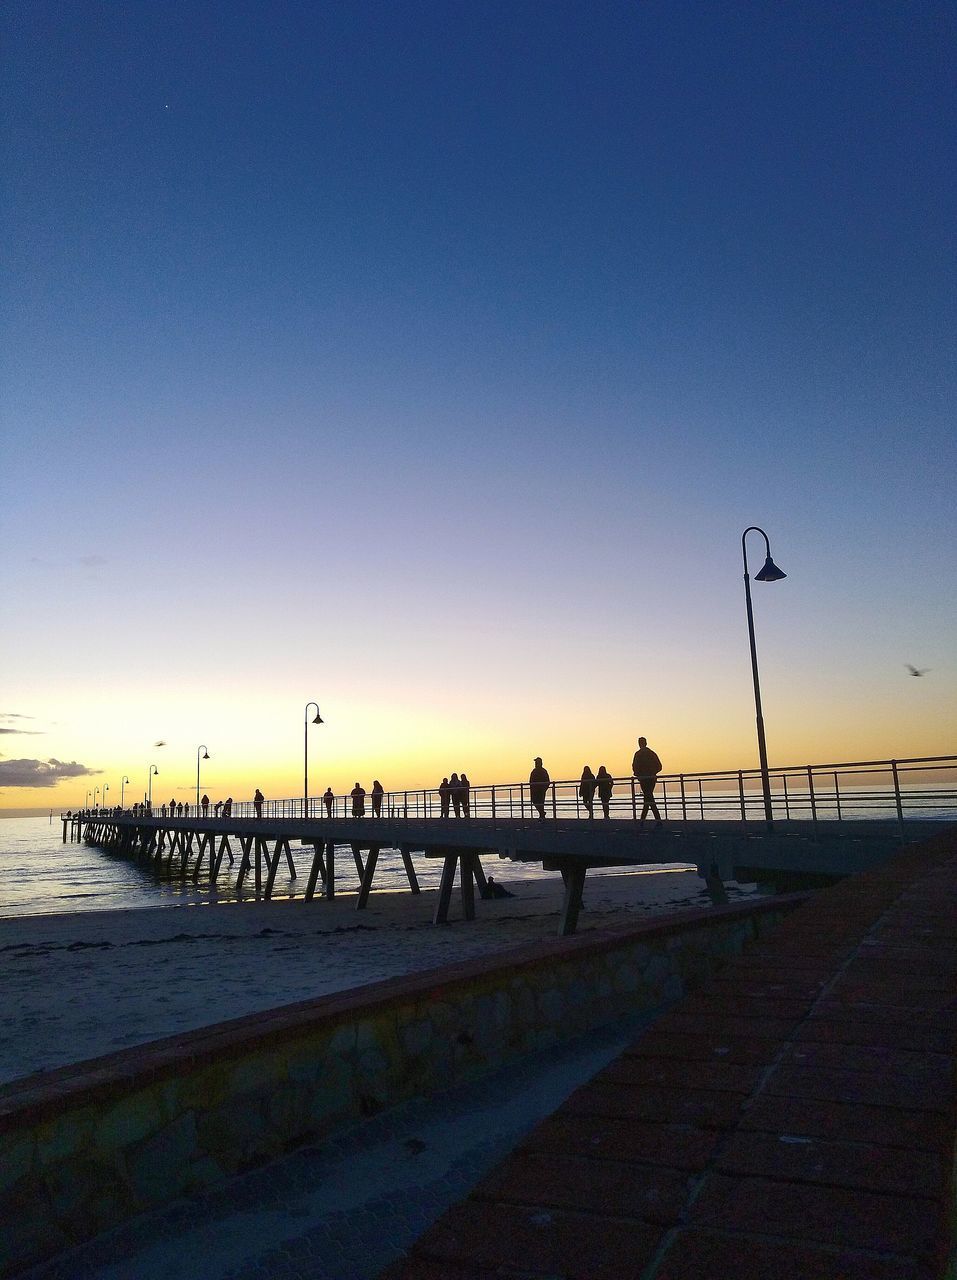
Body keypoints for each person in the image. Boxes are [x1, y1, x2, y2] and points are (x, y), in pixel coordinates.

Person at [633, 736, 663, 826]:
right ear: (646, 743)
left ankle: (655, 821)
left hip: (644, 779)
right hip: (652, 779)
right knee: (648, 798)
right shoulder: (652, 753)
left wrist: (639, 774)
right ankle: (644, 821)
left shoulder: (638, 754)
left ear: (639, 744)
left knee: (648, 798)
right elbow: (659, 766)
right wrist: (653, 772)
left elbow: (635, 767)